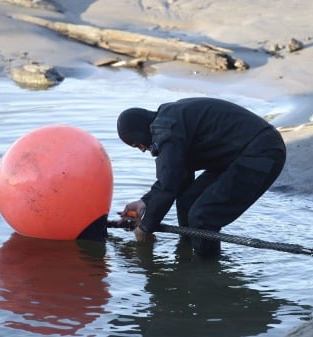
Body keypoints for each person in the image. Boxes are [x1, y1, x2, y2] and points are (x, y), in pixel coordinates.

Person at [116, 97, 286, 258]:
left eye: (138, 144)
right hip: (237, 155)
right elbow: (175, 176)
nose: (143, 149)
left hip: (262, 152)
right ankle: (188, 254)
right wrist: (145, 202)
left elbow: (167, 185)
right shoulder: (169, 122)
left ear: (140, 131)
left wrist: (145, 228)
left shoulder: (166, 130)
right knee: (188, 200)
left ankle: (207, 269)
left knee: (202, 217)